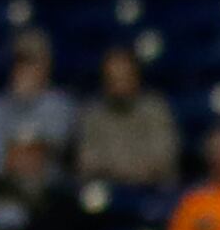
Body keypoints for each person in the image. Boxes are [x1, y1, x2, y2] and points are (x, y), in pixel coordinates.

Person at [0, 31, 79, 182]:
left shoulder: (61, 104)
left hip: (48, 192)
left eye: (31, 62)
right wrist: (4, 162)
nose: (24, 69)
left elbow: (58, 143)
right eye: (19, 61)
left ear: (47, 64)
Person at [72, 45, 182, 189]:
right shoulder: (92, 114)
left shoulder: (156, 109)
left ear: (136, 77)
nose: (118, 86)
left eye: (124, 78)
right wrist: (126, 171)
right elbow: (86, 163)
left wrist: (116, 170)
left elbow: (163, 161)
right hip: (108, 191)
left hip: (151, 192)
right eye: (112, 79)